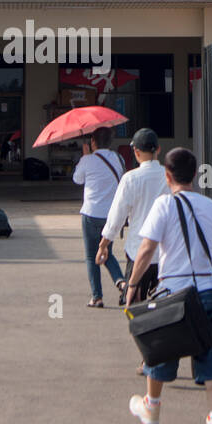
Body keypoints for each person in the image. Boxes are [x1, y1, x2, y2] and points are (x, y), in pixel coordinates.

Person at [125, 147, 212, 424]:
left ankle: (152, 408)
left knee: (158, 350)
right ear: (196, 174)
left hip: (173, 295)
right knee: (211, 359)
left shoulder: (163, 205)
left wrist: (132, 285)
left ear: (167, 175)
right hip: (208, 293)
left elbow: (146, 250)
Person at [98, 128, 169, 307]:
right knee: (164, 308)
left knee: (136, 307)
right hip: (165, 254)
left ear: (136, 152)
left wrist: (103, 244)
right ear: (158, 150)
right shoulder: (169, 177)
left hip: (138, 253)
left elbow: (117, 216)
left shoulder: (130, 178)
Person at [72, 126, 127, 307]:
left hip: (90, 213)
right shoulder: (118, 159)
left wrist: (85, 156)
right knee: (107, 253)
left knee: (91, 256)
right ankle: (120, 281)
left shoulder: (87, 160)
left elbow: (77, 179)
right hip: (111, 215)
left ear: (93, 142)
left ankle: (97, 297)